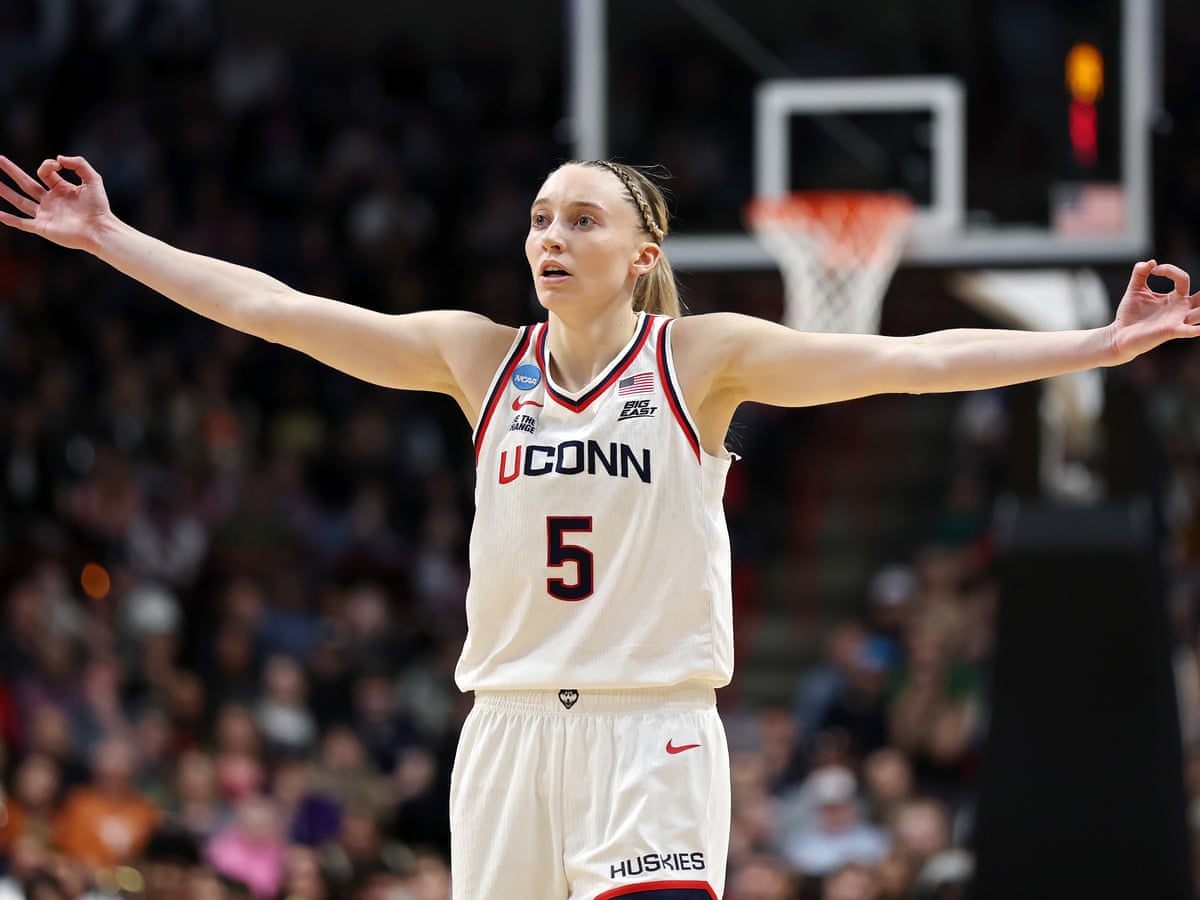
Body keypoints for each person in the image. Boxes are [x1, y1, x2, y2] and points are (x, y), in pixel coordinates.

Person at [0, 153, 1196, 900]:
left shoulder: (700, 358)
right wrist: (111, 237)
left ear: (642, 255)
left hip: (652, 732)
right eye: (539, 218)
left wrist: (1095, 343)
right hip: (509, 733)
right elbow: (278, 309)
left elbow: (908, 361)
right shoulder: (479, 359)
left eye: (580, 220)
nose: (551, 237)